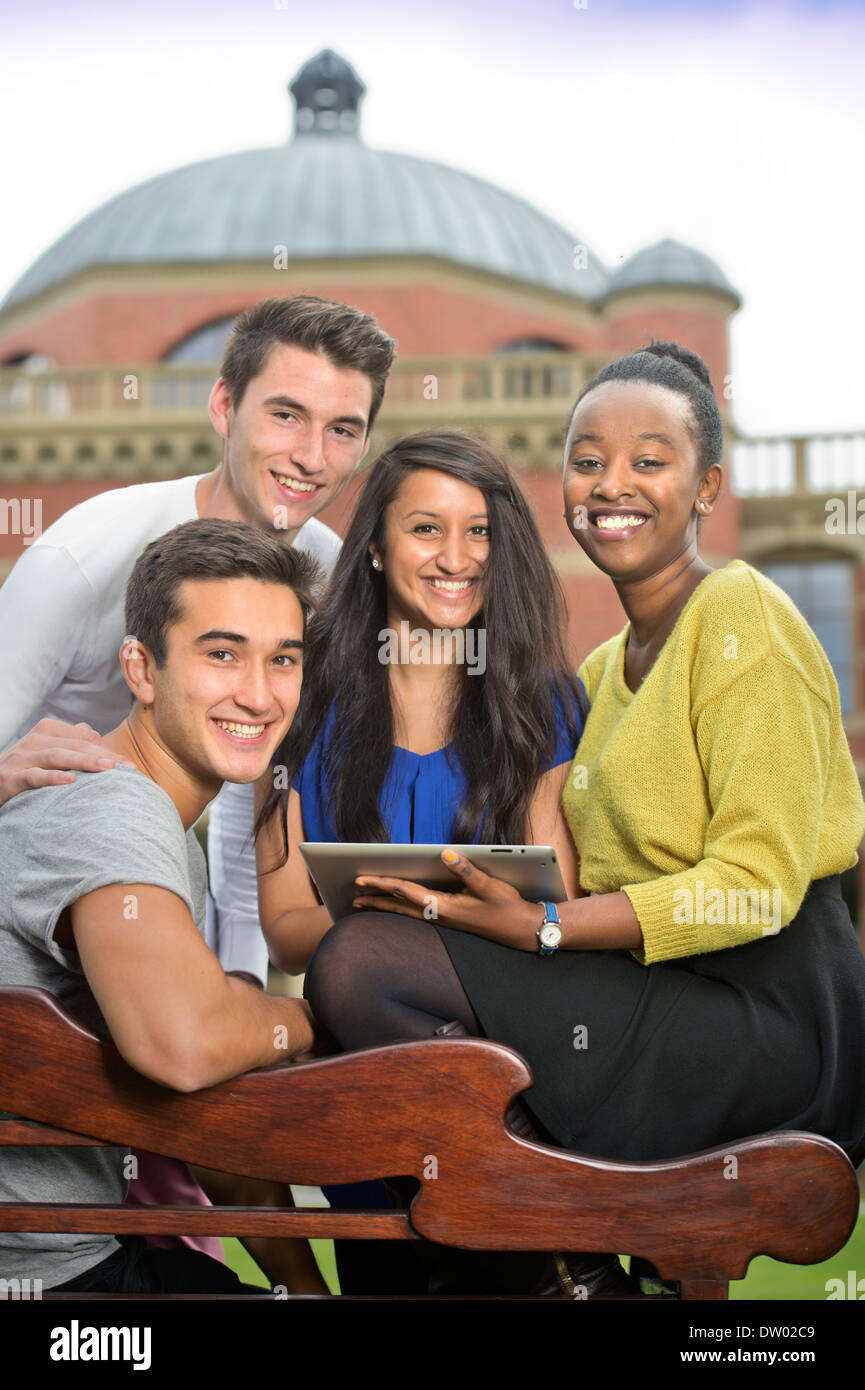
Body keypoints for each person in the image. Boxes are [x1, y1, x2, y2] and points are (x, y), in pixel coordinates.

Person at [305, 343, 865, 1297]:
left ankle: (555, 1239)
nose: (612, 483)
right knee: (366, 969)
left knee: (358, 964)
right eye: (587, 458)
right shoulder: (604, 675)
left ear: (705, 487)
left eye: (649, 460)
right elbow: (585, 874)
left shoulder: (742, 615)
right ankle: (559, 1251)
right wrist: (505, 895)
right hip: (655, 989)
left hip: (770, 1014)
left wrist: (544, 926)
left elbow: (757, 885)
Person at [0, 293, 394, 1263]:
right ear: (223, 407)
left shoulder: (332, 581)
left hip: (191, 908)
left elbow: (262, 789)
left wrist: (255, 993)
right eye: (285, 414)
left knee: (208, 1174)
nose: (311, 455)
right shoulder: (83, 558)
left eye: (342, 429)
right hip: (64, 904)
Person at [254, 428, 590, 1292]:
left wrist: (424, 919)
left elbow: (560, 901)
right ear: (372, 547)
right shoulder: (304, 699)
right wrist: (397, 923)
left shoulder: (543, 702)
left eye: (478, 531)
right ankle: (534, 1223)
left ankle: (518, 1202)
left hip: (511, 1037)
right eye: (425, 529)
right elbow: (292, 932)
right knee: (345, 968)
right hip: (366, 1080)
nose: (456, 558)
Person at [0, 519, 323, 1294]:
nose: (258, 693)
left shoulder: (162, 828)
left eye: (282, 659)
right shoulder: (115, 809)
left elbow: (201, 1096)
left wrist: (306, 1289)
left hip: (83, 1252)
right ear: (140, 670)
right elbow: (184, 1045)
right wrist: (316, 1017)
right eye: (222, 654)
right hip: (45, 1276)